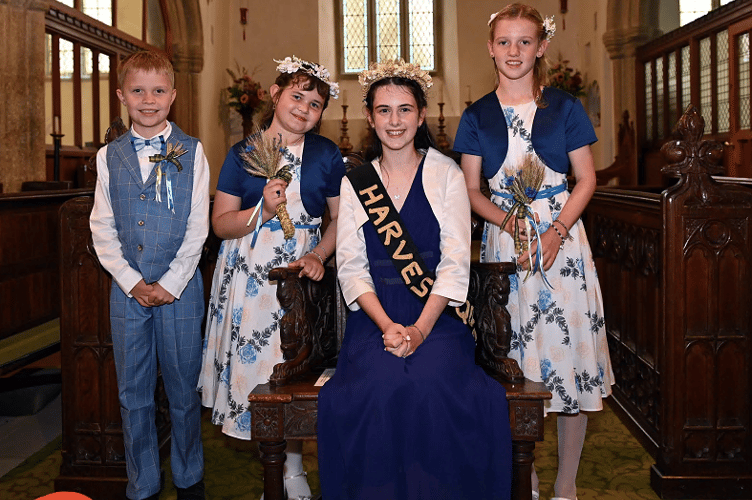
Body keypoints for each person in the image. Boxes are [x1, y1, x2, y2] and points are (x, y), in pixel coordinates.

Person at [317, 60, 513, 500]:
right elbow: (350, 265)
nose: (394, 121)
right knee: (377, 386)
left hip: (436, 316)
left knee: (432, 383)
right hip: (375, 317)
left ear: (421, 115)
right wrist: (388, 326)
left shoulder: (446, 174)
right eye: (384, 111)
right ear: (369, 117)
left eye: (404, 110)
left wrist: (421, 329)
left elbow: (456, 262)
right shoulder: (356, 183)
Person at [453, 4, 616, 500]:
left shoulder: (564, 108)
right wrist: (510, 224)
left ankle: (565, 484)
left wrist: (556, 230)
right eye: (504, 42)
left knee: (565, 364)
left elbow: (585, 179)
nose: (514, 52)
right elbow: (471, 190)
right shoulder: (477, 114)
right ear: (490, 48)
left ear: (541, 47)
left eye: (525, 42)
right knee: (513, 364)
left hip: (560, 244)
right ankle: (524, 473)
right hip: (507, 246)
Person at [198, 55, 344, 500]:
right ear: (277, 95)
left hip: (301, 273)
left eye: (315, 103)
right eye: (296, 96)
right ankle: (274, 474)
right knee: (260, 372)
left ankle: (295, 472)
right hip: (250, 276)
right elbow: (220, 224)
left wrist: (320, 252)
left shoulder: (325, 154)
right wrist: (260, 209)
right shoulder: (243, 153)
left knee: (294, 371)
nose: (304, 107)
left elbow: (339, 219)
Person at [90, 50, 209, 500]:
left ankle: (188, 478)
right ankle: (142, 484)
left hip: (179, 290)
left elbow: (199, 225)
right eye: (137, 91)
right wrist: (131, 280)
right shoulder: (109, 156)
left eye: (158, 91)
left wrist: (169, 282)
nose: (148, 99)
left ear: (173, 97)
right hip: (127, 292)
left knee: (182, 390)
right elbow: (101, 226)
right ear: (122, 96)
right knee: (133, 392)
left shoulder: (192, 151)